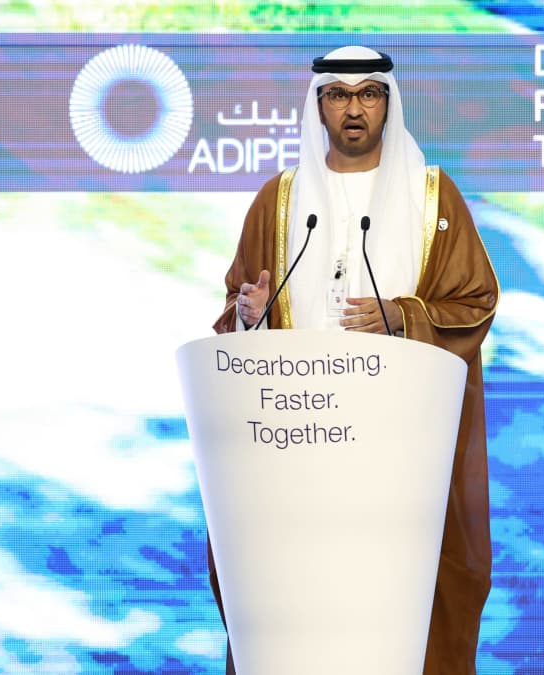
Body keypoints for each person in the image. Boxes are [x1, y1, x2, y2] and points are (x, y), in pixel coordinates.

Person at [210, 45, 499, 675]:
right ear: (317, 106)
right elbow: (236, 321)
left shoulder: (433, 197)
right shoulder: (278, 201)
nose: (353, 108)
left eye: (369, 93)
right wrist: (250, 317)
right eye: (338, 94)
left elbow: (475, 301)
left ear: (389, 105)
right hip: (300, 451)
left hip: (399, 459)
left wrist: (403, 316)